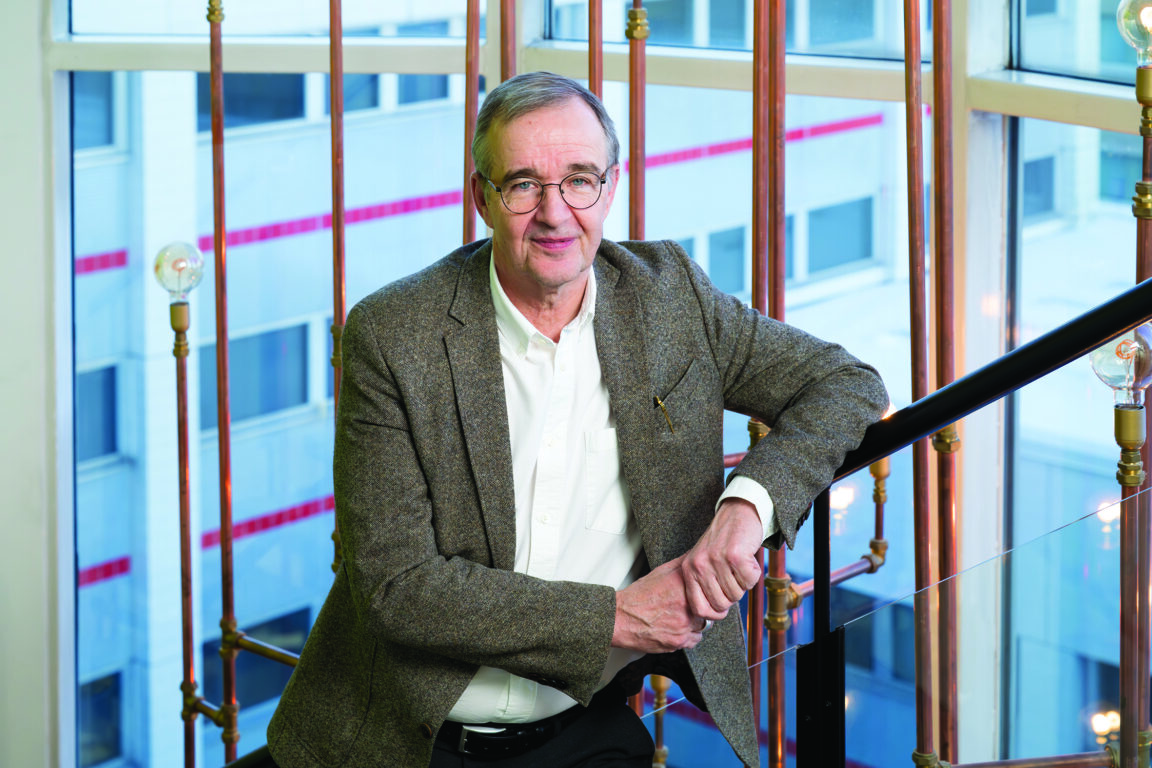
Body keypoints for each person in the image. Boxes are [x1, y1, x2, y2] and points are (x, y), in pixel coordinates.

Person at [266, 71, 888, 768]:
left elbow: (845, 382)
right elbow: (398, 588)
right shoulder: (393, 334)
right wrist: (617, 619)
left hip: (582, 729)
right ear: (482, 197)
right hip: (402, 736)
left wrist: (744, 511)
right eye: (523, 184)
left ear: (611, 187)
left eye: (580, 181)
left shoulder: (671, 298)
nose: (555, 213)